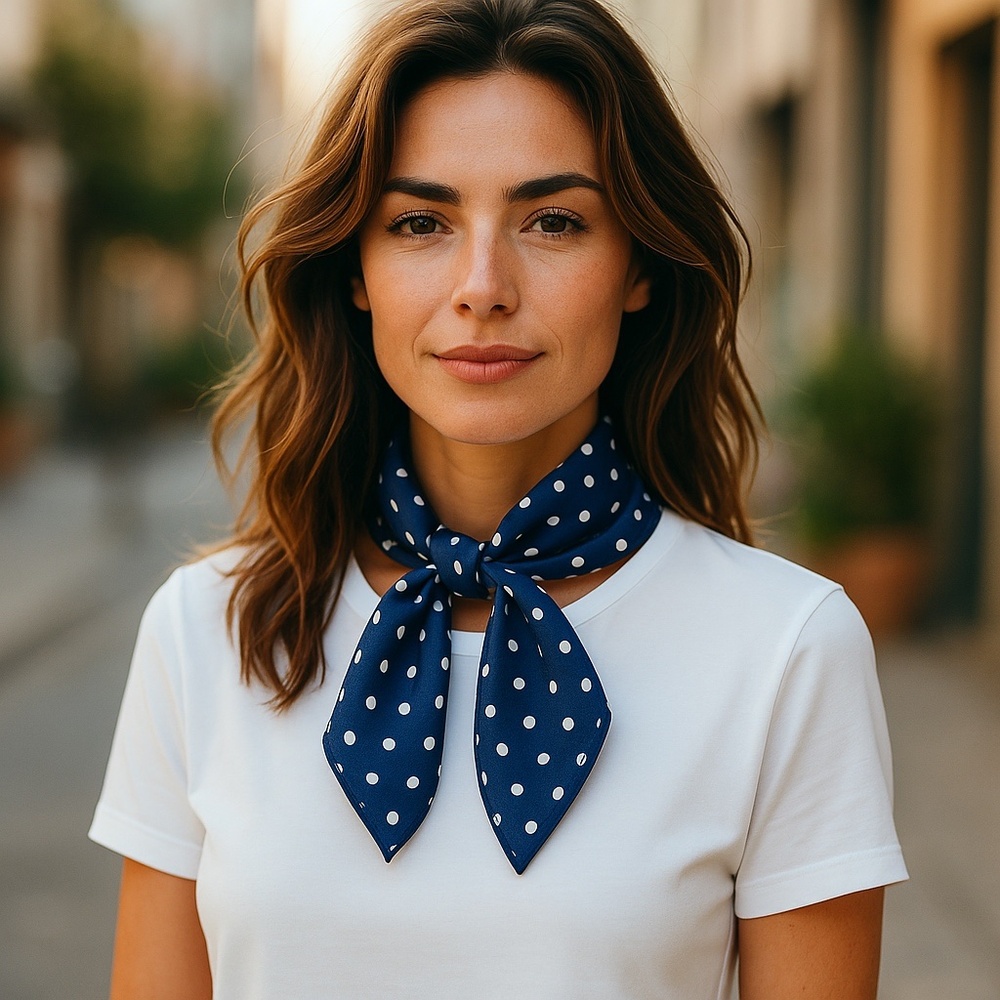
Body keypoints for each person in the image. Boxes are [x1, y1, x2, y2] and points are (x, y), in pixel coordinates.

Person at [90, 0, 908, 997]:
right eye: (421, 222)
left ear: (639, 264)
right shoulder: (204, 632)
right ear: (357, 270)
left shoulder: (785, 649)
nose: (482, 284)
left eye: (553, 220)